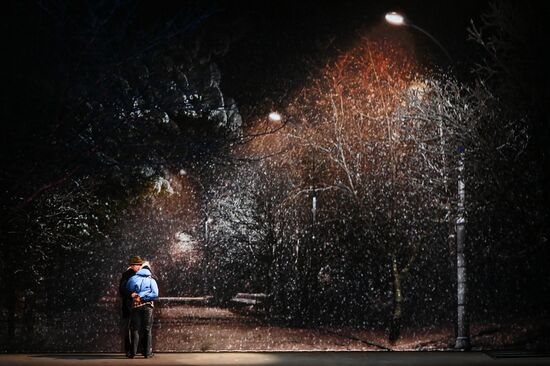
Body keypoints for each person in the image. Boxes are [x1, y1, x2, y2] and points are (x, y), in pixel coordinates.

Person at [126, 261, 159, 358]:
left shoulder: (133, 279)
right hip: (148, 306)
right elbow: (155, 294)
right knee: (147, 329)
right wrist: (144, 297)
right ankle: (147, 353)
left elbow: (128, 288)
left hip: (136, 306)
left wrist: (136, 295)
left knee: (135, 329)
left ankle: (132, 353)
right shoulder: (151, 280)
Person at [119, 256, 143, 358]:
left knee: (136, 329)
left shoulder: (141, 275)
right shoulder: (127, 275)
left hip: (137, 305)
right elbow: (122, 289)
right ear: (132, 265)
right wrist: (131, 295)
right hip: (129, 306)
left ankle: (135, 350)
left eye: (140, 265)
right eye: (137, 265)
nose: (139, 267)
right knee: (129, 329)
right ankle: (130, 351)